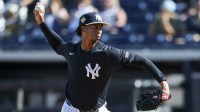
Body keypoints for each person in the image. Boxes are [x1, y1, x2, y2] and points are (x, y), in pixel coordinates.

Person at [33, 2, 171, 112]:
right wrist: (41, 22)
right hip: (71, 108)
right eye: (94, 27)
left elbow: (141, 60)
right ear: (83, 29)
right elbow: (57, 44)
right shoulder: (71, 49)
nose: (98, 30)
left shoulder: (107, 54)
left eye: (100, 27)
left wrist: (163, 82)